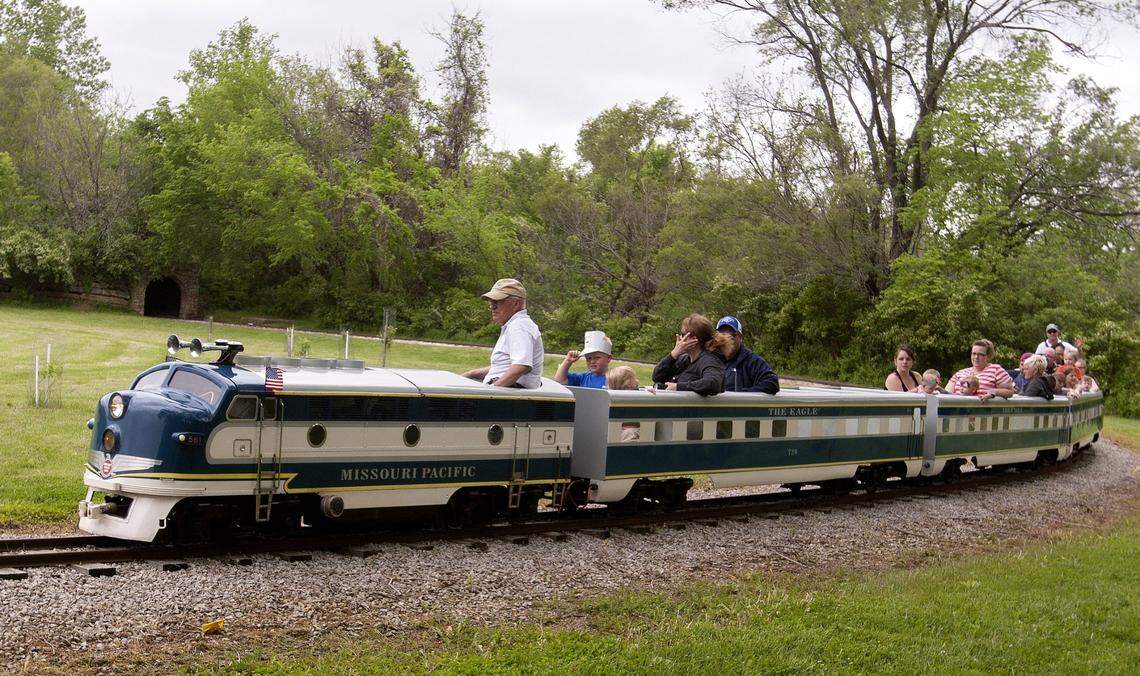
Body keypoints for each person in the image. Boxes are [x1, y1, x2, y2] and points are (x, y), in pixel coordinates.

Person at [460, 278, 544, 388]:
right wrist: (471, 374)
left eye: (497, 302)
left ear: (516, 304)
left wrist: (492, 392)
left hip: (509, 396)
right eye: (491, 302)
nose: (492, 307)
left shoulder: (519, 326)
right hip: (509, 393)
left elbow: (521, 366)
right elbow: (503, 367)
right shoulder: (517, 325)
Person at [652, 313, 731, 396]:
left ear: (694, 339)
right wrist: (673, 354)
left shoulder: (709, 360)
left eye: (683, 334)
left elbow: (713, 383)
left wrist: (679, 387)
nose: (680, 339)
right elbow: (657, 377)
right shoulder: (684, 360)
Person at [715, 316, 780, 394]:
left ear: (741, 338)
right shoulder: (711, 359)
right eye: (722, 336)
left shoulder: (753, 361)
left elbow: (771, 383)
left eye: (732, 335)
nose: (726, 339)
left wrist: (743, 395)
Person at [948, 339, 1016, 400]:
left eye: (980, 354)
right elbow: (946, 394)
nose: (976, 357)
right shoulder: (961, 372)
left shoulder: (996, 370)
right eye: (974, 354)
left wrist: (993, 392)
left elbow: (1010, 392)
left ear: (988, 356)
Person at [606, 366, 642, 441]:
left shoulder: (611, 396)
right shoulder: (635, 396)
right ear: (628, 383)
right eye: (634, 378)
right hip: (630, 431)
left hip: (618, 430)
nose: (637, 380)